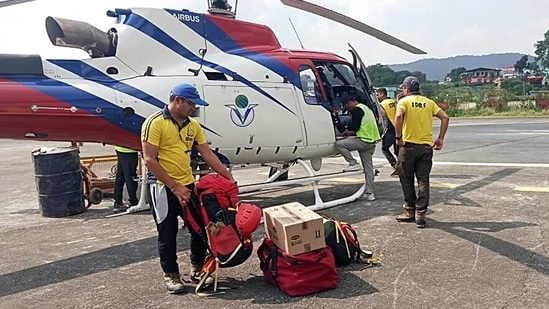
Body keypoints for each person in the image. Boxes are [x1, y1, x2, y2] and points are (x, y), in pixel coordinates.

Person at [141, 83, 236, 294]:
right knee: (167, 232)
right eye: (191, 103)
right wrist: (175, 187)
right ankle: (171, 274)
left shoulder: (193, 125)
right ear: (178, 100)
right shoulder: (155, 123)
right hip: (162, 186)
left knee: (200, 228)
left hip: (187, 184)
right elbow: (149, 160)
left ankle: (198, 268)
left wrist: (229, 179)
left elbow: (207, 154)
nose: (193, 108)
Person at [394, 76, 449, 228]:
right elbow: (445, 118)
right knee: (423, 180)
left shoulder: (404, 101)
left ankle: (409, 210)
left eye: (403, 88)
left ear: (407, 88)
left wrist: (398, 137)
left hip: (408, 146)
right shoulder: (429, 103)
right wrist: (440, 138)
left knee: (406, 179)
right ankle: (421, 214)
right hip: (426, 148)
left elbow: (398, 116)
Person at [334, 95, 381, 201]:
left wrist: (347, 132)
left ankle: (353, 163)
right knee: (368, 168)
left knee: (339, 144)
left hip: (363, 140)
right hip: (371, 141)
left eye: (347, 107)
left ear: (350, 102)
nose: (348, 110)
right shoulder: (366, 108)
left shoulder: (357, 110)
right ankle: (370, 193)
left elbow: (355, 127)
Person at [376, 88, 399, 176]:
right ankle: (401, 167)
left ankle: (394, 164)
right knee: (397, 150)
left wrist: (382, 131)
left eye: (378, 94)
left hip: (390, 128)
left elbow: (383, 118)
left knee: (385, 148)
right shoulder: (394, 101)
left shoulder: (382, 104)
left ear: (382, 94)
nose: (377, 96)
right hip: (398, 127)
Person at [112, 145, 139, 213]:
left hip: (119, 147)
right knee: (130, 177)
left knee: (120, 176)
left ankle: (118, 202)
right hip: (129, 149)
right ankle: (133, 201)